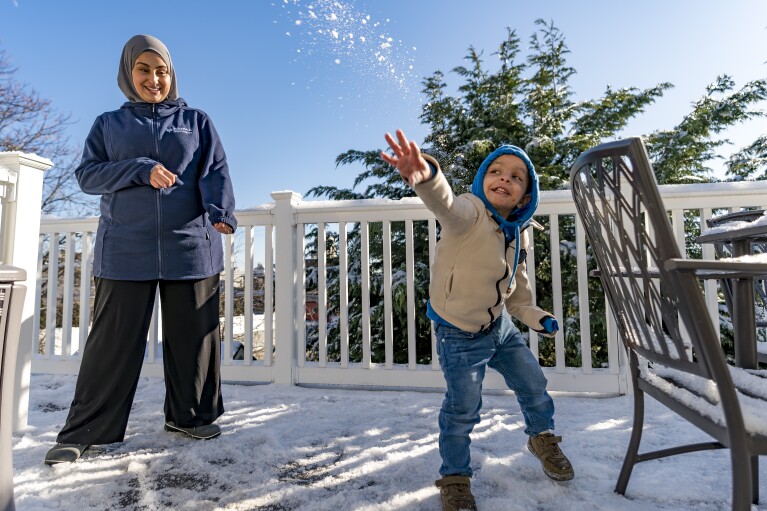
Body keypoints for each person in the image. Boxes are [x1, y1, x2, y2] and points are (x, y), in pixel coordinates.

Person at [44, 34, 237, 465]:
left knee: (194, 341)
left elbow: (216, 171)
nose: (154, 79)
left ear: (171, 74)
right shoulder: (108, 125)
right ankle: (86, 431)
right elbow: (87, 176)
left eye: (161, 70)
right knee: (111, 343)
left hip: (191, 245)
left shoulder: (196, 120)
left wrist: (221, 211)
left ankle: (190, 417)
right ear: (128, 73)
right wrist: (140, 169)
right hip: (125, 248)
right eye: (144, 69)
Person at [381, 130, 574, 511]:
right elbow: (445, 204)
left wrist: (538, 317)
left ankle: (542, 437)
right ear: (483, 179)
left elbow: (518, 293)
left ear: (526, 195)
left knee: (534, 382)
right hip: (459, 333)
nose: (505, 179)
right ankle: (454, 477)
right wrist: (425, 175)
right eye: (497, 171)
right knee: (463, 407)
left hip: (499, 327)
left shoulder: (517, 234)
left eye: (517, 177)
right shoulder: (468, 213)